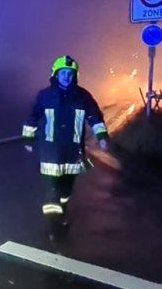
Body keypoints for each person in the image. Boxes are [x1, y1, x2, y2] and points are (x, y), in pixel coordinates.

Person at [22, 56, 108, 224]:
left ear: (75, 75)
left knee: (66, 190)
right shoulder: (45, 96)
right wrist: (28, 138)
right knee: (51, 191)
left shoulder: (83, 97)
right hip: (50, 151)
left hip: (73, 152)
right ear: (55, 74)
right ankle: (54, 227)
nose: (66, 77)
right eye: (63, 73)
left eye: (70, 73)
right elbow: (33, 116)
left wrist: (102, 136)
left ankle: (62, 210)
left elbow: (95, 118)